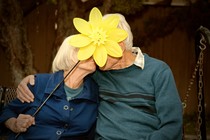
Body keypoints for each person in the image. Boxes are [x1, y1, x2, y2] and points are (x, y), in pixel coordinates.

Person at [15, 7, 183, 140]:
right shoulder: (96, 73)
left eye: (99, 47)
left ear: (120, 45)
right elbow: (66, 78)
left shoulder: (158, 71)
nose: (93, 54)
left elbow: (172, 128)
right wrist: (31, 80)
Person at [0, 36, 99, 140]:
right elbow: (7, 111)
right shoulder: (39, 83)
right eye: (86, 49)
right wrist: (14, 124)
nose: (93, 54)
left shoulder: (96, 92)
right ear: (70, 55)